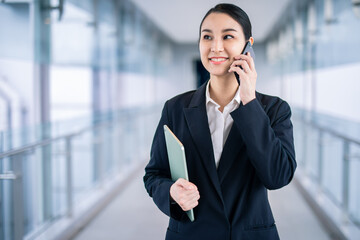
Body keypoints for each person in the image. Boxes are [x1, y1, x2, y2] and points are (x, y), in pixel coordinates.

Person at [143, 3, 296, 240]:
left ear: (248, 45)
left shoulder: (274, 109)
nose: (216, 47)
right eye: (207, 37)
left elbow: (277, 176)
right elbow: (154, 175)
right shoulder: (175, 108)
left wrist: (249, 103)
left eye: (228, 36)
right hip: (191, 233)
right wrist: (171, 192)